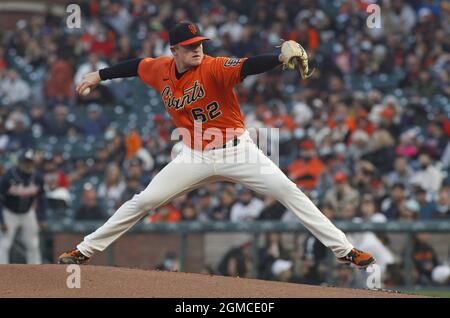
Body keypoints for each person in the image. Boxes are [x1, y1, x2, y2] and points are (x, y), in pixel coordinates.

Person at [58, 22, 375, 268]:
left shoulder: (213, 66)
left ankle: (345, 251)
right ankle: (85, 251)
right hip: (194, 154)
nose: (197, 49)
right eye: (189, 46)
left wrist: (279, 58)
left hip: (237, 150)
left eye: (199, 43)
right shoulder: (160, 69)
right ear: (174, 50)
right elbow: (134, 65)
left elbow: (248, 65)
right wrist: (98, 75)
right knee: (143, 201)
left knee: (289, 192)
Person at [0, 149, 46, 264]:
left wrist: (42, 217)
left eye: (30, 161)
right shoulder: (8, 177)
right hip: (9, 213)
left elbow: (42, 198)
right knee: (4, 244)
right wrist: (1, 220)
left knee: (33, 244)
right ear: (20, 162)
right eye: (26, 161)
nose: (28, 164)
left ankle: (35, 271)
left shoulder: (38, 178)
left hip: (27, 213)